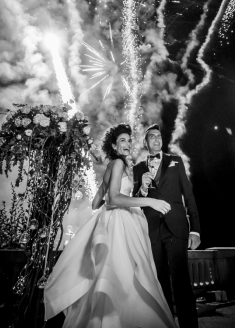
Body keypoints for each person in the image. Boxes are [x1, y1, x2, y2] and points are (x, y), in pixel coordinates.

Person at [44, 123, 177, 328]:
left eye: (129, 140)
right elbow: (114, 199)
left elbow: (97, 203)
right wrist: (150, 201)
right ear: (114, 147)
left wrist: (136, 190)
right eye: (122, 140)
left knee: (110, 277)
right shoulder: (118, 164)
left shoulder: (112, 166)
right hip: (121, 225)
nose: (127, 143)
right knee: (127, 277)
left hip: (112, 222)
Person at [132, 124, 201, 328]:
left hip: (177, 228)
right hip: (152, 231)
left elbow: (188, 195)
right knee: (159, 284)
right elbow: (134, 202)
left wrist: (195, 229)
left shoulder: (175, 161)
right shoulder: (138, 169)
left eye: (158, 136)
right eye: (151, 137)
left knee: (181, 283)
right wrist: (143, 189)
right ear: (145, 143)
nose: (156, 139)